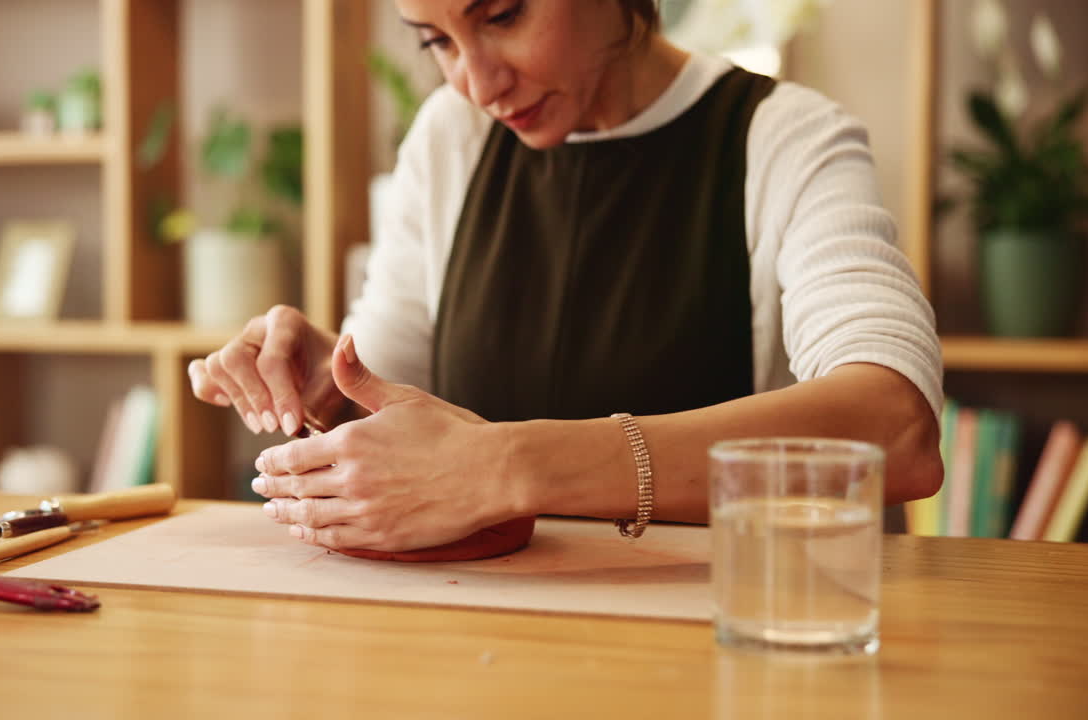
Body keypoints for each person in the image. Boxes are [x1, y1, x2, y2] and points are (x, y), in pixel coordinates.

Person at [188, 0, 943, 553]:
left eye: (505, 16)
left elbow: (897, 427)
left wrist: (511, 466)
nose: (478, 84)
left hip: (712, 636)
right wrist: (333, 384)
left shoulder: (786, 139)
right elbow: (402, 416)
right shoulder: (450, 138)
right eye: (437, 42)